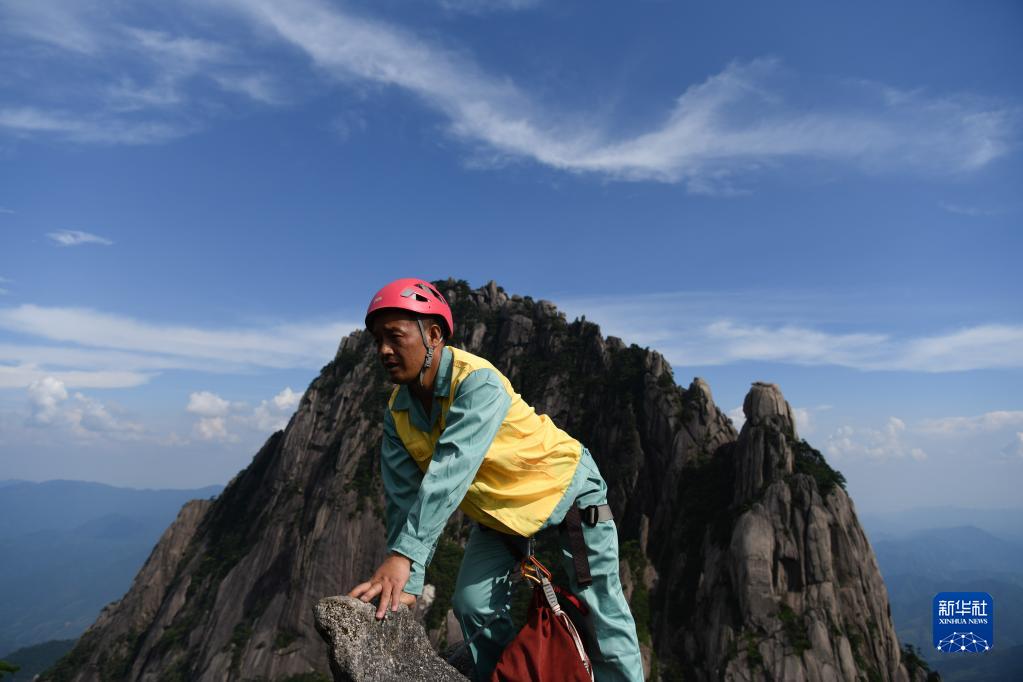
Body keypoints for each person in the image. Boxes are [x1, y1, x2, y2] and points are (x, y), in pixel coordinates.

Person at [348, 278, 643, 682]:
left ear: (433, 335)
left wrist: (405, 556)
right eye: (377, 340)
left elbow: (451, 469)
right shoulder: (397, 411)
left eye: (394, 337)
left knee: (601, 608)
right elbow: (403, 497)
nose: (383, 350)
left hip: (566, 492)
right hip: (502, 513)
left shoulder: (476, 382)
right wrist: (409, 580)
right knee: (472, 605)